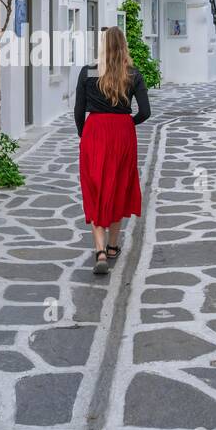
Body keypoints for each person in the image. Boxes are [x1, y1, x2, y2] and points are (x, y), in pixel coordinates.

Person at [74, 26, 151, 276]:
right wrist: (128, 123)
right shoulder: (133, 74)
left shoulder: (88, 72)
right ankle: (113, 246)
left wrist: (83, 133)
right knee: (119, 185)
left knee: (95, 185)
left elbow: (78, 111)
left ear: (103, 46)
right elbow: (145, 112)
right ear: (124, 46)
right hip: (122, 133)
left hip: (95, 130)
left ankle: (99, 251)